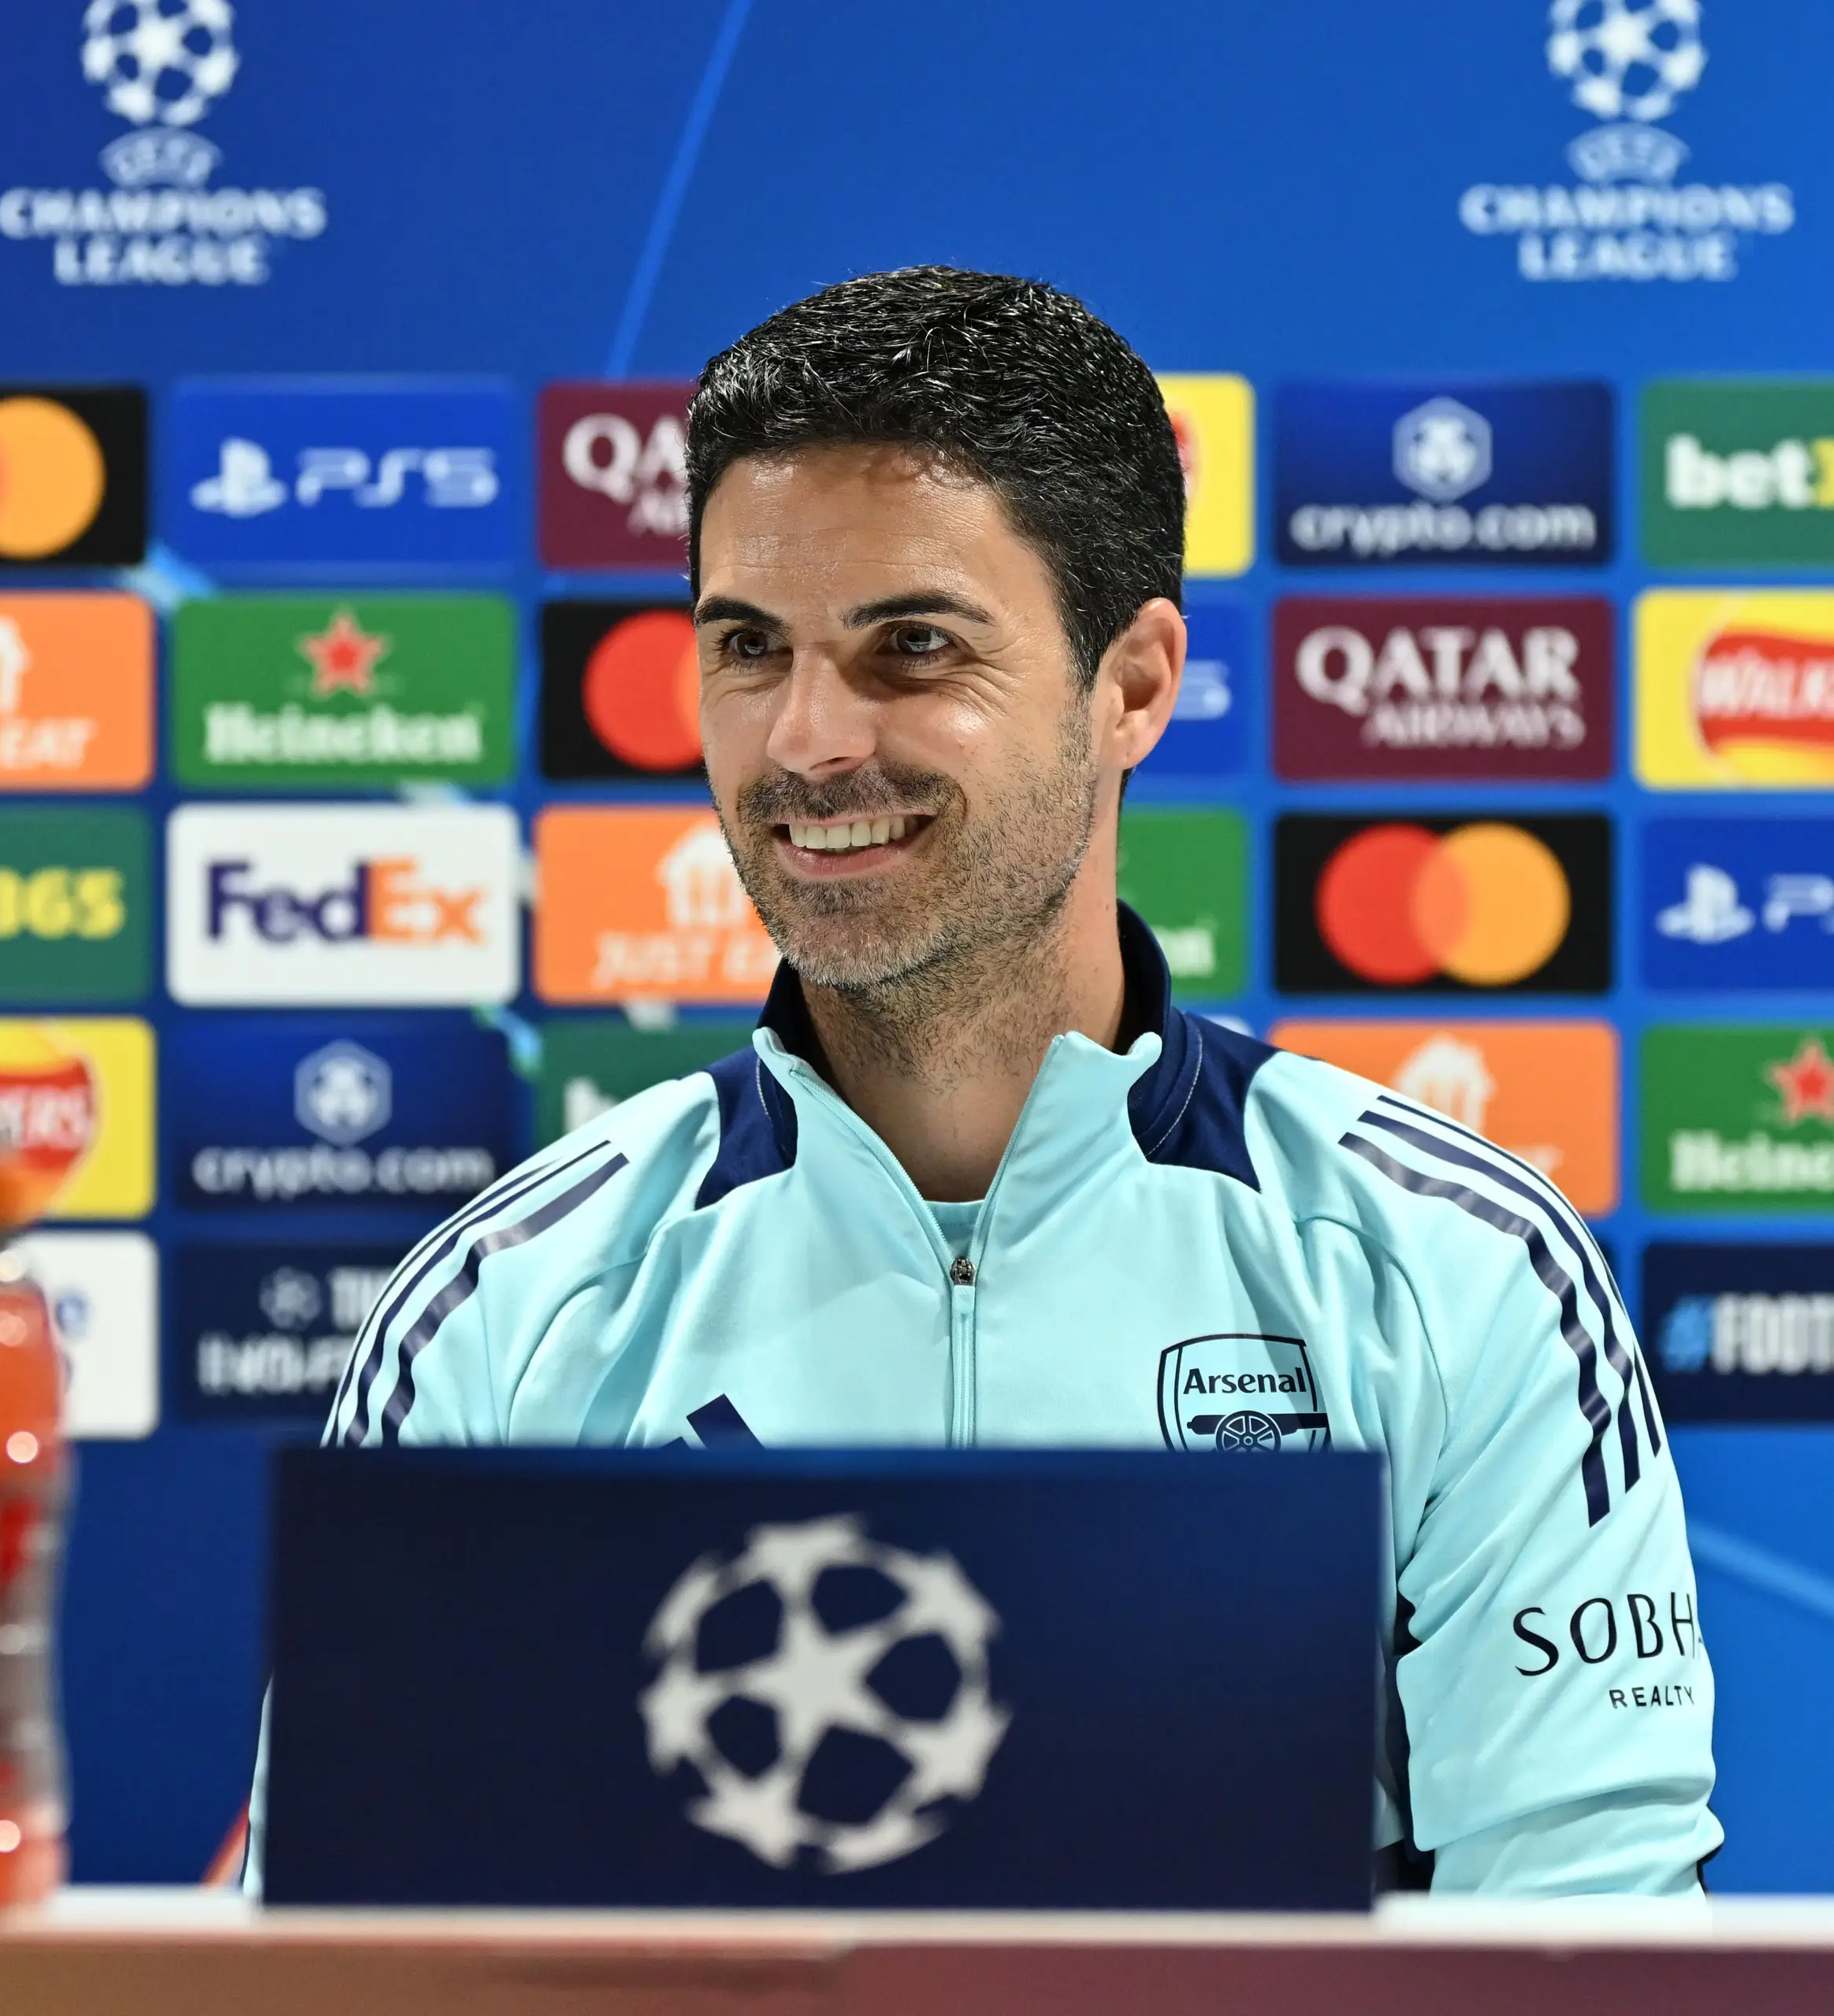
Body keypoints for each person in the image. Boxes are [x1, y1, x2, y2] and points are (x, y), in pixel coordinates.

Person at [297, 266, 1719, 1895]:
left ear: (1133, 685)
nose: (807, 738)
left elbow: (1586, 1952)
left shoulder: (1457, 1274)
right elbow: (355, 1954)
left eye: (913, 647)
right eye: (748, 648)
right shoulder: (509, 1306)